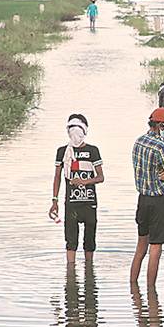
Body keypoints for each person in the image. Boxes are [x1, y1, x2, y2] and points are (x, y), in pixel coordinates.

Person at [129, 108, 164, 291]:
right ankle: (151, 292)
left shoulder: (138, 142)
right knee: (155, 248)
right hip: (159, 201)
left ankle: (133, 288)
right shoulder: (161, 147)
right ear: (161, 125)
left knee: (141, 246)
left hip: (142, 200)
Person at [49, 113, 104, 264]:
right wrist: (54, 201)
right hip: (71, 204)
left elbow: (101, 177)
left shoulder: (93, 151)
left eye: (78, 128)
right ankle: (70, 276)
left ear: (85, 130)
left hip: (89, 203)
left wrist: (84, 182)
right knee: (71, 242)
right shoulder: (62, 152)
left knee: (89, 243)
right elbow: (57, 177)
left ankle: (89, 273)